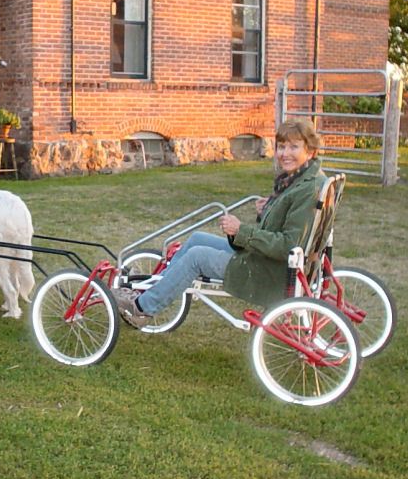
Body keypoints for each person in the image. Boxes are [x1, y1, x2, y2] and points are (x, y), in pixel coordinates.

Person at [115, 118, 326, 328]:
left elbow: (288, 245)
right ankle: (154, 287)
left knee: (197, 257)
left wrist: (240, 231)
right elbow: (286, 223)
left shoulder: (307, 189)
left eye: (294, 147)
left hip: (270, 271)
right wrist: (269, 209)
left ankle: (142, 308)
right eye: (281, 146)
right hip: (266, 260)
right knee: (197, 238)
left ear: (310, 150)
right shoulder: (303, 179)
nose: (285, 153)